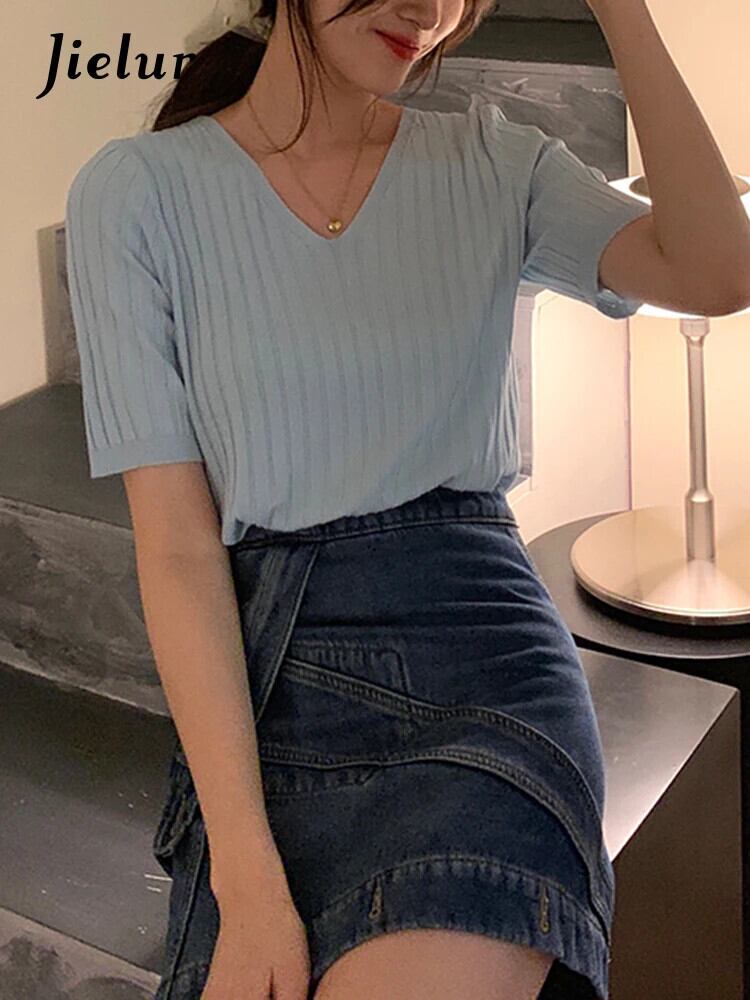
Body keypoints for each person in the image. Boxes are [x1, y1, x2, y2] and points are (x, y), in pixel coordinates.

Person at [63, 0, 655, 996]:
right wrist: (247, 875)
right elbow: (176, 550)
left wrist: (624, 12)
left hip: (482, 662)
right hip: (274, 669)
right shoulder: (136, 193)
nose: (431, 8)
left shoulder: (495, 161)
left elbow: (719, 265)